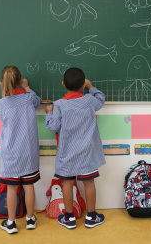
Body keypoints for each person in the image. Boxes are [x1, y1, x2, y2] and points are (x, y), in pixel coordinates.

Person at [45, 67, 106, 229]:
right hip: (87, 152)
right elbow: (101, 98)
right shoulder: (89, 101)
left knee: (67, 183)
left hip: (67, 153)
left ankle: (69, 218)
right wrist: (91, 87)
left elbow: (53, 126)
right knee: (89, 183)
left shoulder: (58, 105)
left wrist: (48, 112)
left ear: (63, 84)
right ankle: (92, 217)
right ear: (82, 85)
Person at [0, 65, 41, 234]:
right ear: (20, 80)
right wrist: (27, 87)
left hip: (11, 154)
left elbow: (3, 118)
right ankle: (30, 219)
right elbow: (37, 101)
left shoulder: (2, 103)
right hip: (28, 153)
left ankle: (11, 223)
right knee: (29, 186)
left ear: (3, 83)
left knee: (11, 188)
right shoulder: (29, 98)